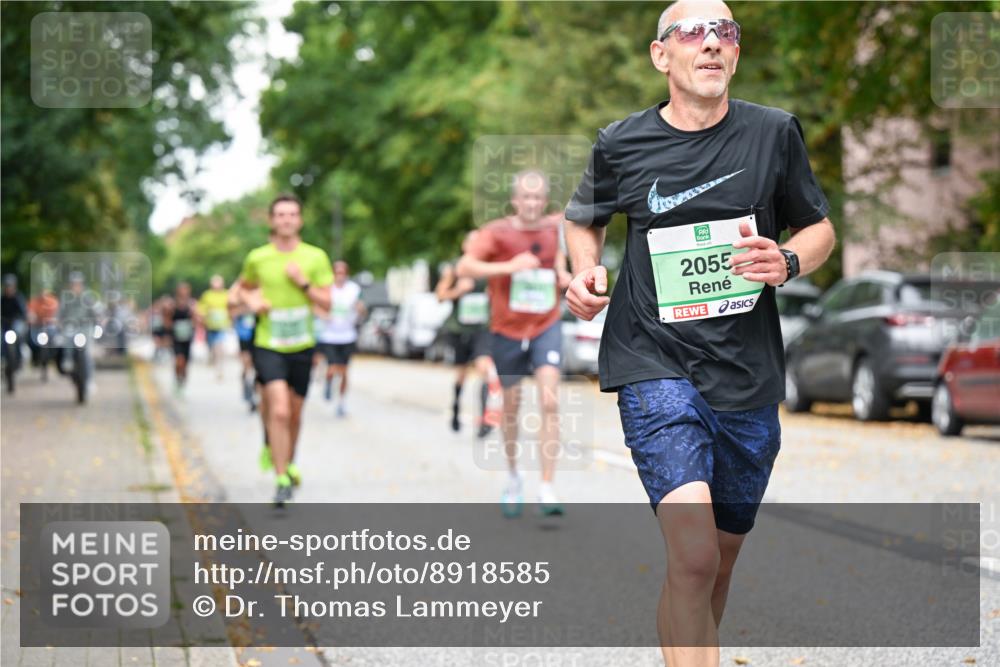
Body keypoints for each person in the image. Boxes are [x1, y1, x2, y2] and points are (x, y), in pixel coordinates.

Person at [563, 2, 837, 664]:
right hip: (652, 359)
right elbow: (583, 219)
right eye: (693, 32)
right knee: (692, 552)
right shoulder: (621, 142)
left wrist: (789, 259)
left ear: (736, 56)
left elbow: (819, 227)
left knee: (715, 564)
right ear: (662, 56)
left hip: (745, 374)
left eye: (726, 34)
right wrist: (584, 273)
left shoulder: (773, 134)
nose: (711, 43)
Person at [457, 170, 573, 518]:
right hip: (507, 330)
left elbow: (559, 263)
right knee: (511, 407)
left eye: (539, 198)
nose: (533, 203)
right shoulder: (497, 232)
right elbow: (466, 266)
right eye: (527, 197)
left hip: (545, 325)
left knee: (549, 400)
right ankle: (513, 477)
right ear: (515, 200)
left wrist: (564, 275)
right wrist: (509, 266)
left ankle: (548, 488)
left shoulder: (555, 229)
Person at [236, 194, 333, 507]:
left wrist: (303, 283)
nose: (286, 220)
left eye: (292, 214)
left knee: (294, 412)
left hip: (302, 344)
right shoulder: (258, 258)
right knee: (278, 408)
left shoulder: (315, 257)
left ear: (300, 220)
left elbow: (328, 303)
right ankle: (281, 479)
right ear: (271, 221)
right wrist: (252, 303)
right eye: (280, 215)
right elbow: (239, 292)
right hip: (268, 343)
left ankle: (288, 460)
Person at [435, 231, 500, 437]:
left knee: (485, 369)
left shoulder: (488, 268)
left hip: (481, 329)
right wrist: (458, 291)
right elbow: (439, 296)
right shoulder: (455, 268)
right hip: (459, 329)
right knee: (461, 374)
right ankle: (455, 407)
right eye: (471, 242)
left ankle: (484, 420)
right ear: (464, 246)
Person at [314, 260, 365, 417]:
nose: (340, 276)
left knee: (344, 372)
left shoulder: (354, 290)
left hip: (347, 336)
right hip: (329, 335)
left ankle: (341, 403)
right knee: (332, 367)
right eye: (337, 273)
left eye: (343, 273)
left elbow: (362, 308)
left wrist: (361, 310)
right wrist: (324, 315)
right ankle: (328, 381)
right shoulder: (326, 289)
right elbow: (314, 306)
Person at [228, 281, 259, 412]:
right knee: (247, 365)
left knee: (258, 367)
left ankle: (255, 395)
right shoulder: (239, 292)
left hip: (259, 336)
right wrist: (246, 307)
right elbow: (231, 311)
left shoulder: (262, 291)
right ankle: (246, 385)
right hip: (244, 336)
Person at [165, 282, 200, 395]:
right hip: (176, 337)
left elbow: (197, 320)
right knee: (179, 360)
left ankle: (182, 381)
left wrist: (195, 319)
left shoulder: (192, 304)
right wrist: (172, 327)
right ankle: (177, 379)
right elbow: (167, 320)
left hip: (187, 337)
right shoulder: (172, 305)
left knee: (185, 362)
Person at [198, 274, 231, 380]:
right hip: (210, 325)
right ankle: (213, 360)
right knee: (212, 346)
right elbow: (201, 308)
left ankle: (219, 368)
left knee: (219, 346)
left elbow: (230, 307)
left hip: (222, 325)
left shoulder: (226, 294)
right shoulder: (207, 295)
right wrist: (203, 316)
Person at [1, 275, 28, 393]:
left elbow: (24, 313)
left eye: (10, 286)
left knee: (19, 333)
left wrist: (24, 318)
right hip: (5, 327)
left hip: (15, 325)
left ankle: (21, 354)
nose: (8, 288)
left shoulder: (18, 298)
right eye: (7, 286)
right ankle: (2, 359)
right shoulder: (2, 299)